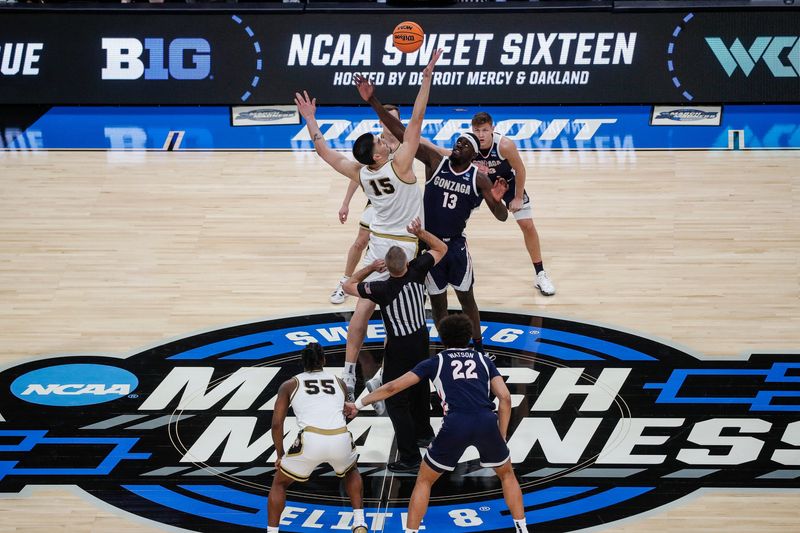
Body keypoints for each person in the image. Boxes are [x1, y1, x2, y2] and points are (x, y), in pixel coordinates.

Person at [296, 49, 443, 404]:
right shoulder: (401, 165)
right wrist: (426, 80)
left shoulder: (360, 172)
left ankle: (348, 373)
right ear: (378, 156)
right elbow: (417, 120)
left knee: (363, 309)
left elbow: (325, 152)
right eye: (379, 142)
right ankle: (381, 374)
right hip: (404, 247)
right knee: (400, 315)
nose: (384, 140)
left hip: (378, 243)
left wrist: (311, 120)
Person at [354, 74, 508, 355]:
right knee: (437, 302)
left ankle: (478, 346)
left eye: (463, 146)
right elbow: (402, 131)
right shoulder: (436, 162)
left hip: (456, 246)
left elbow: (502, 217)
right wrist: (372, 101)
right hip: (429, 242)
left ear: (473, 155)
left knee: (467, 300)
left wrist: (498, 202)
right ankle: (449, 346)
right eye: (457, 143)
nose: (457, 147)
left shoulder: (480, 179)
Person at [345, 313, 527, 533]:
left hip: (456, 423)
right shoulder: (484, 360)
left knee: (424, 480)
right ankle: (522, 528)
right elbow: (505, 398)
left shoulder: (436, 362)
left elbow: (393, 387)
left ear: (441, 338)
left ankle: (411, 531)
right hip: (485, 421)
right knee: (507, 474)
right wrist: (502, 435)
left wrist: (360, 403)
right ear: (469, 336)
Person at [341, 217, 447, 472]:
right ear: (407, 263)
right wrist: (421, 232)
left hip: (399, 347)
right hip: (421, 338)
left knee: (396, 401)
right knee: (420, 387)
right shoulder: (418, 269)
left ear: (387, 267)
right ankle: (424, 433)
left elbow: (347, 285)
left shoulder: (382, 288)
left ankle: (409, 456)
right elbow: (441, 248)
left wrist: (369, 268)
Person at [267, 343, 367, 533]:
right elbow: (344, 412)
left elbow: (276, 424)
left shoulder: (289, 384)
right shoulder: (340, 383)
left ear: (302, 363)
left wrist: (280, 455)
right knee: (351, 470)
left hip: (311, 440)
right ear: (324, 360)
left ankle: (272, 531)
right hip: (339, 436)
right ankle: (359, 522)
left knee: (279, 483)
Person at [471, 111, 557, 296]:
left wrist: (517, 197)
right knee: (454, 218)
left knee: (527, 224)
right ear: (472, 130)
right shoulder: (468, 144)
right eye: (477, 130)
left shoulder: (505, 145)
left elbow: (520, 169)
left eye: (485, 130)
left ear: (492, 129)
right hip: (478, 182)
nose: (481, 135)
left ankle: (540, 273)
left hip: (505, 181)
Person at [330, 104, 402, 305]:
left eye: (394, 119)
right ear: (381, 121)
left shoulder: (407, 143)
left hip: (403, 204)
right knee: (361, 241)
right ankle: (345, 281)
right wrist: (346, 203)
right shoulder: (373, 146)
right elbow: (357, 175)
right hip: (378, 201)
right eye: (386, 119)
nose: (390, 123)